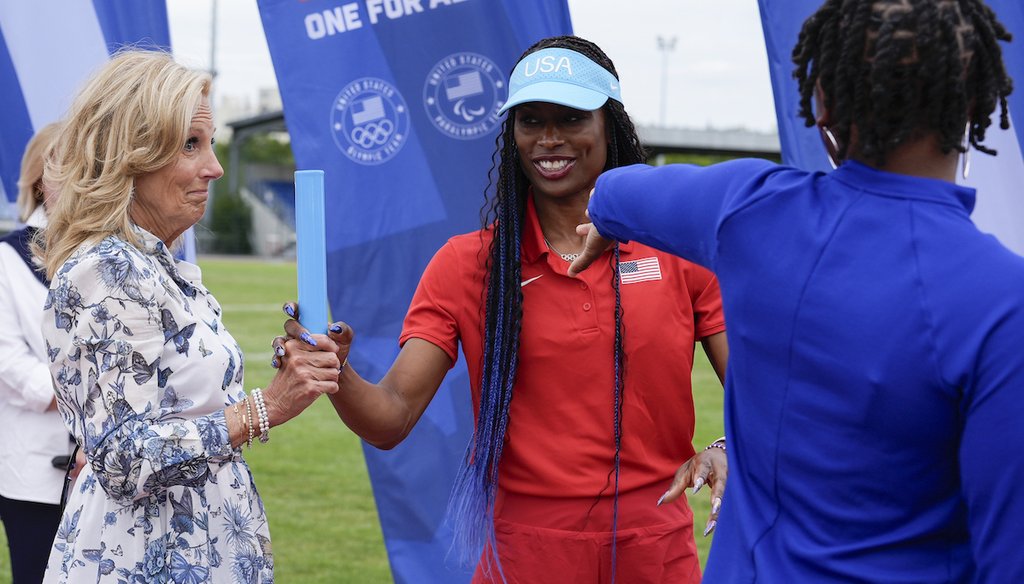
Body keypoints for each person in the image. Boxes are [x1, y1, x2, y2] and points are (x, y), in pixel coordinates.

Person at [569, 0, 1020, 581]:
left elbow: (619, 192)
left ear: (822, 102)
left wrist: (606, 223)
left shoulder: (747, 209)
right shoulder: (1002, 302)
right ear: (978, 104)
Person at [280, 36, 730, 583]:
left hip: (654, 550)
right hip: (524, 556)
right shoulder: (468, 264)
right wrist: (336, 370)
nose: (548, 139)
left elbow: (765, 392)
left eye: (569, 118)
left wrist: (726, 445)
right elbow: (390, 417)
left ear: (607, 126)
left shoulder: (679, 252)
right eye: (530, 121)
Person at [37, 50, 341, 583]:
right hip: (142, 560)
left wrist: (286, 375)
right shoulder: (104, 270)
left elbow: (182, 407)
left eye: (212, 143)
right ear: (131, 153)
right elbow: (120, 459)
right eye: (190, 145)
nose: (215, 167)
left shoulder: (158, 264)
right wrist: (264, 407)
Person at [0, 122, 79, 584]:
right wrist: (98, 399)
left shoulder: (110, 253)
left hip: (113, 471)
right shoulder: (7, 258)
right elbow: (10, 365)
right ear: (40, 179)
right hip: (36, 474)